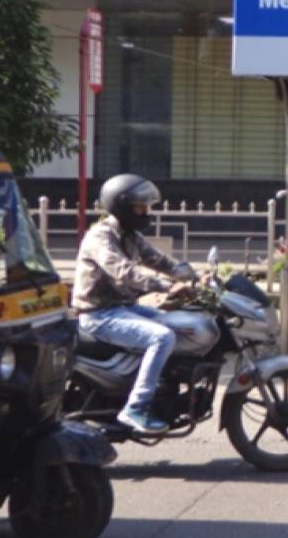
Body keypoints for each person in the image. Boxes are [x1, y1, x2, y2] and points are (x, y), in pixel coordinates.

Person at [73, 174, 196, 433]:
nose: (145, 211)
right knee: (161, 337)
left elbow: (161, 261)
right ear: (122, 206)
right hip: (99, 315)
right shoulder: (100, 236)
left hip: (124, 309)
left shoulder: (131, 236)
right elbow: (124, 271)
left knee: (180, 325)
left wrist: (193, 275)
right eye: (140, 206)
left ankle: (161, 387)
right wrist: (166, 286)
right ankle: (136, 408)